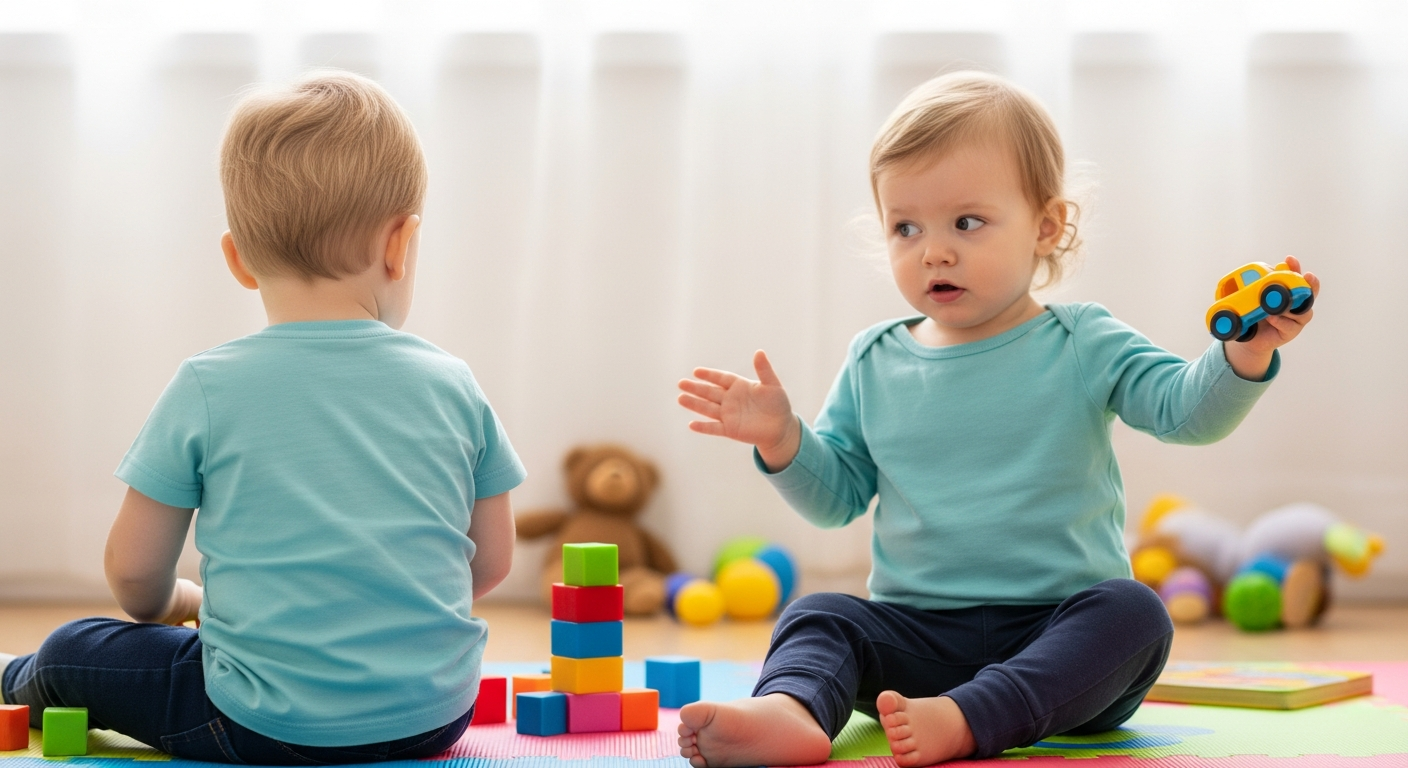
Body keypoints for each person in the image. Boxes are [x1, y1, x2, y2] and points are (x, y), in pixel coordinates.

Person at [675, 71, 1318, 768]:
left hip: (1062, 643)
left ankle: (968, 719)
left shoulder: (1083, 341)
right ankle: (789, 711)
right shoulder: (874, 358)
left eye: (967, 222)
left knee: (1135, 613)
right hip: (918, 641)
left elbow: (1185, 413)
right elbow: (837, 501)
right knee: (817, 614)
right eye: (906, 227)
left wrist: (1241, 355)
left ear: (1047, 226)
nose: (934, 251)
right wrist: (782, 439)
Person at [0, 70, 524, 764]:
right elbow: (489, 564)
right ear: (402, 244)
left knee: (72, 650)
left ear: (238, 260)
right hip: (433, 718)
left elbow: (132, 574)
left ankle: (11, 676)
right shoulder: (455, 383)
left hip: (259, 724)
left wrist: (176, 601)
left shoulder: (208, 384)